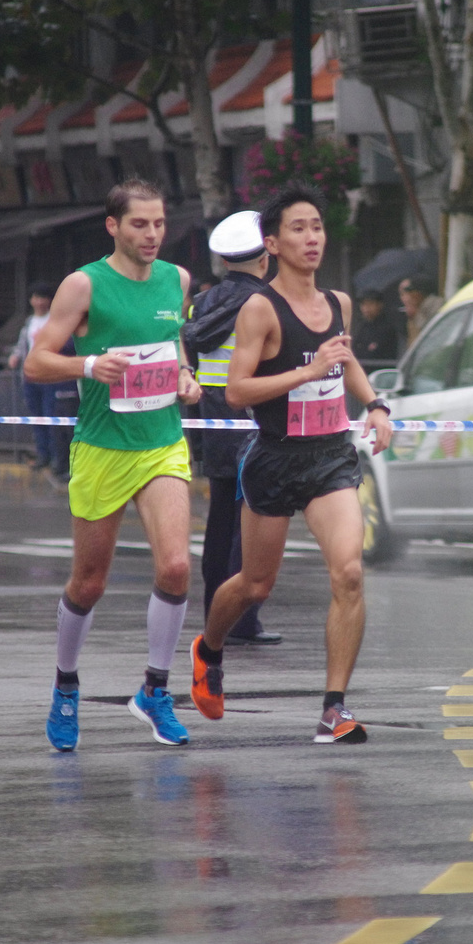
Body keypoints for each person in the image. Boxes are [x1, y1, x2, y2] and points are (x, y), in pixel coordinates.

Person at [189, 181, 393, 744]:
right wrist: (305, 372)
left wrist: (375, 404)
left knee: (349, 573)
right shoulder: (259, 308)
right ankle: (208, 650)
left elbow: (344, 362)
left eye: (317, 227)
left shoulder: (337, 303)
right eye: (298, 229)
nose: (312, 238)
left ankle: (334, 709)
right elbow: (236, 391)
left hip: (330, 458)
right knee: (255, 585)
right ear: (272, 244)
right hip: (274, 458)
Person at [24, 177, 202, 752]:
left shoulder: (177, 279)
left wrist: (184, 376)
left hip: (161, 442)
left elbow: (172, 346)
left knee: (176, 567)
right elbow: (35, 364)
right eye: (139, 225)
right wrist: (88, 365)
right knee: (89, 581)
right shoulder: (84, 285)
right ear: (113, 227)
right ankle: (66, 683)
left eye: (158, 224)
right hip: (102, 446)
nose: (152, 235)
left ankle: (154, 690)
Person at [183, 210, 281, 647]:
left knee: (220, 519)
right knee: (253, 522)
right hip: (255, 421)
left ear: (224, 261)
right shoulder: (266, 303)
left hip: (211, 421)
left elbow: (196, 368)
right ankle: (242, 619)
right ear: (265, 258)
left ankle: (214, 615)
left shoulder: (200, 304)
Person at [8, 282, 59, 471]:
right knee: (36, 417)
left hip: (49, 377)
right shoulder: (29, 322)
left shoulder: (54, 320)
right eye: (35, 297)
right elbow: (22, 344)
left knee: (51, 416)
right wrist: (15, 356)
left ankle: (56, 457)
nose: (38, 301)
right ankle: (42, 454)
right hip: (30, 377)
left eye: (42, 297)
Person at [352, 285, 399, 373]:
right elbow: (354, 350)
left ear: (380, 305)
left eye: (370, 303)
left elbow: (373, 353)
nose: (366, 308)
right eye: (363, 304)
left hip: (381, 373)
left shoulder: (387, 327)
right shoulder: (362, 326)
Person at [398, 275, 442, 351]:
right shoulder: (417, 306)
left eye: (411, 292)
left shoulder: (436, 305)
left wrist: (416, 315)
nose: (410, 296)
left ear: (419, 293)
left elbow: (431, 330)